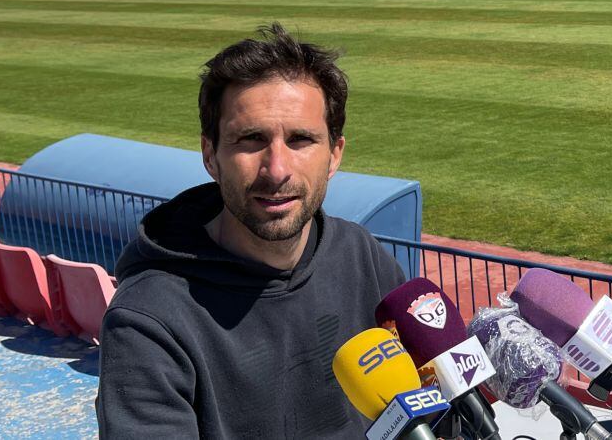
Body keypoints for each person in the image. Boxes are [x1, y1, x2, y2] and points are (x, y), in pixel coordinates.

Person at [96, 23, 406, 438]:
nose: (276, 170)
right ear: (211, 155)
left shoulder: (359, 252)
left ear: (334, 155)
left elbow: (427, 387)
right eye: (250, 139)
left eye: (300, 140)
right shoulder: (148, 319)